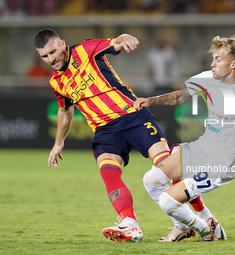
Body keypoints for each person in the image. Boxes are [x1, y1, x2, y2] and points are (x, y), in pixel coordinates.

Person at [34, 29, 173, 243]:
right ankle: (129, 223)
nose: (51, 59)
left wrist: (125, 38)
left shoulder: (85, 49)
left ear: (62, 44)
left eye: (53, 52)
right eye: (44, 56)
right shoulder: (56, 82)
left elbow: (115, 42)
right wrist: (58, 143)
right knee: (108, 171)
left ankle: (205, 218)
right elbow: (65, 111)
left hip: (131, 115)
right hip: (104, 130)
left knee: (169, 167)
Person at [134, 35, 235, 241]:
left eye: (218, 59)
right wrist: (151, 100)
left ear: (234, 64)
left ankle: (205, 230)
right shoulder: (208, 78)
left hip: (222, 163)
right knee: (151, 180)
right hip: (201, 149)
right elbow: (182, 96)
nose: (212, 64)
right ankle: (192, 224)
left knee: (169, 201)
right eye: (213, 58)